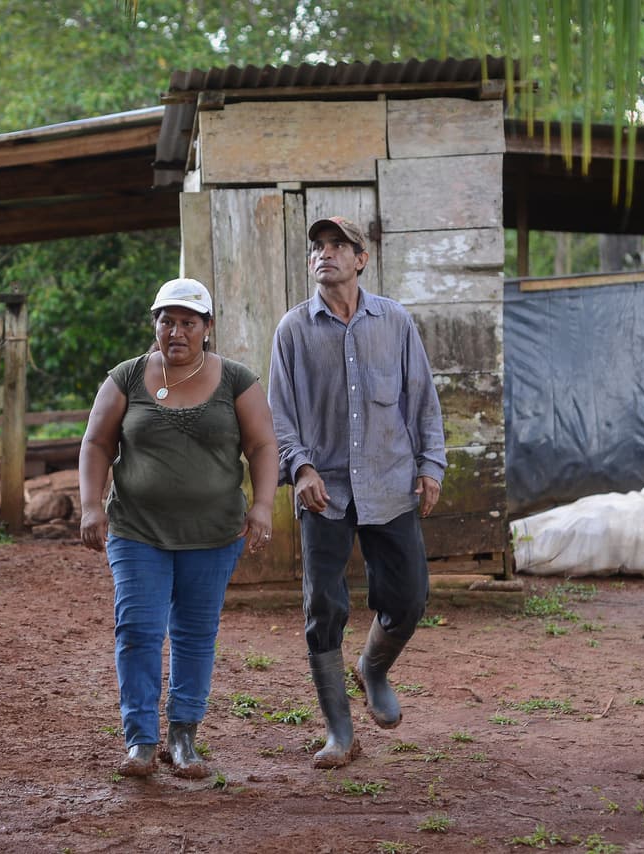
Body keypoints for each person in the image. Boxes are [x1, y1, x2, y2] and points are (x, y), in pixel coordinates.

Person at [79, 277, 279, 779]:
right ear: (155, 324)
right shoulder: (126, 377)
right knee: (139, 631)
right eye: (167, 320)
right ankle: (141, 741)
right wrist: (90, 505)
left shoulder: (236, 380)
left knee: (194, 634)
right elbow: (97, 443)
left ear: (207, 328)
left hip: (213, 534)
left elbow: (262, 446)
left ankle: (183, 736)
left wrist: (263, 506)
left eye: (189, 321)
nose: (177, 331)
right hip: (136, 530)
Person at [267, 216, 446, 769]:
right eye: (317, 247)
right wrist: (300, 469)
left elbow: (422, 398)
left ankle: (373, 668)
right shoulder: (293, 330)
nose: (326, 254)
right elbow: (280, 413)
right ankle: (340, 733)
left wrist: (431, 465)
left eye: (338, 246)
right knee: (324, 604)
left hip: (390, 481)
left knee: (409, 597)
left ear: (360, 258)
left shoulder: (394, 321)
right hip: (325, 490)